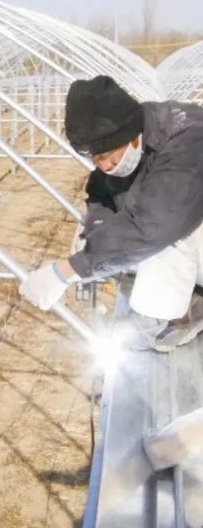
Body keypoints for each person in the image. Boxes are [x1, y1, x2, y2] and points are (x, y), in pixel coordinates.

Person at [19, 74, 203, 351]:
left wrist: (68, 271)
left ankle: (159, 318)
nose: (103, 165)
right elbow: (101, 198)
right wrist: (93, 240)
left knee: (167, 233)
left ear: (130, 136)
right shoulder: (122, 153)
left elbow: (157, 224)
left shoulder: (188, 136)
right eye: (94, 159)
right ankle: (190, 302)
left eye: (106, 156)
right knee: (112, 242)